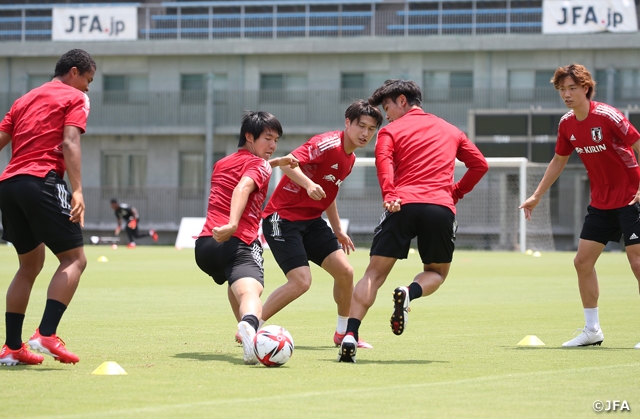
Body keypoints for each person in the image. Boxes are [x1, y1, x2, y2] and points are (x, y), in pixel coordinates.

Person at [338, 79, 489, 363]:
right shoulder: (451, 130)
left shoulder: (391, 131)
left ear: (403, 101)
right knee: (437, 273)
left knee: (373, 275)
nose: (387, 115)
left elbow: (384, 164)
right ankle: (409, 292)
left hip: (401, 205)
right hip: (440, 208)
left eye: (388, 108)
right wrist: (454, 192)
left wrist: (389, 194)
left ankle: (350, 335)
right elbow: (480, 164)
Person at [519, 64, 640, 349]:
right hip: (601, 201)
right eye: (561, 89)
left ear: (586, 88)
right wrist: (537, 195)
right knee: (582, 262)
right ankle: (592, 330)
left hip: (631, 197)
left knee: (637, 263)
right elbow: (558, 160)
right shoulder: (566, 124)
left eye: (572, 88)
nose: (566, 94)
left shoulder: (608, 116)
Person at [260, 100, 383, 349]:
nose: (365, 133)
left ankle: (343, 334)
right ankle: (251, 325)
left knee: (346, 273)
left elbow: (329, 193)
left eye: (371, 129)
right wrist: (308, 184)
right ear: (347, 123)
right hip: (281, 218)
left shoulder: (349, 160)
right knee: (301, 281)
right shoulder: (327, 143)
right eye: (361, 126)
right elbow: (288, 162)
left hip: (312, 222)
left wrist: (337, 229)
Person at [0, 49, 96, 366]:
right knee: (74, 259)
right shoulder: (74, 98)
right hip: (42, 180)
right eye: (87, 81)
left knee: (29, 265)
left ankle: (12, 347)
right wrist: (78, 190)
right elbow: (70, 142)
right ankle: (46, 334)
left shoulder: (23, 100)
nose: (87, 89)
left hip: (9, 185)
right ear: (73, 72)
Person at [194, 111, 297, 365]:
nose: (273, 146)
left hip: (206, 246)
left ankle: (246, 332)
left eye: (276, 140)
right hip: (237, 239)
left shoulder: (223, 163)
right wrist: (232, 223)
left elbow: (245, 171)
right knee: (252, 290)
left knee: (236, 284)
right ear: (249, 137)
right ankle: (251, 326)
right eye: (268, 139)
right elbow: (243, 187)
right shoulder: (260, 165)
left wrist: (276, 162)